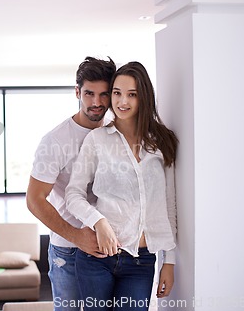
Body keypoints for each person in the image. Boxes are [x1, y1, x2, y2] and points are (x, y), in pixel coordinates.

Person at [65, 61, 178, 311]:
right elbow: (73, 194)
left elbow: (168, 205)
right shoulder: (97, 140)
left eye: (131, 94)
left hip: (142, 261)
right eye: (117, 93)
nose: (122, 101)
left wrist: (169, 261)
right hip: (96, 258)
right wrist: (99, 221)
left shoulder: (162, 142)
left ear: (144, 97)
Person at [27, 56, 116, 311]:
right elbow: (34, 200)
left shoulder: (116, 131)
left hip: (111, 247)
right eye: (89, 93)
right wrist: (77, 237)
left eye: (104, 94)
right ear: (77, 91)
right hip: (69, 251)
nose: (96, 102)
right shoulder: (55, 140)